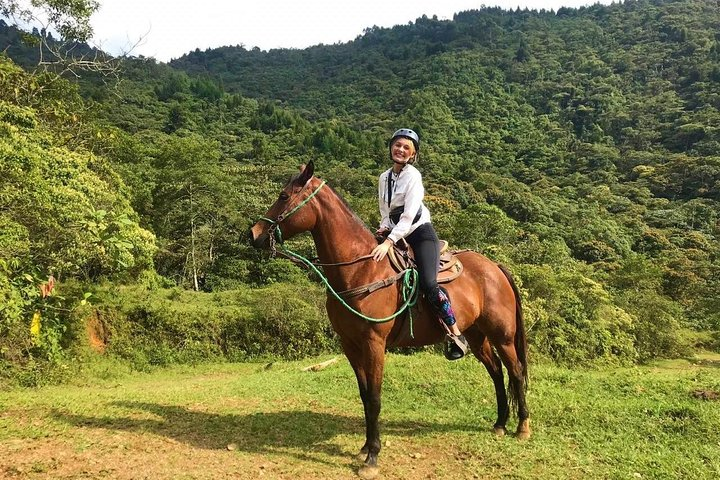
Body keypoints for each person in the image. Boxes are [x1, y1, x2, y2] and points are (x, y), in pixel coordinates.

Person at [370, 128, 469, 360]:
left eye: (407, 148)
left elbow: (409, 215)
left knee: (428, 283)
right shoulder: (384, 178)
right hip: (395, 232)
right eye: (398, 145)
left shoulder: (413, 176)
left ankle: (456, 335)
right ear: (391, 147)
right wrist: (384, 229)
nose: (401, 150)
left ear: (413, 155)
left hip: (419, 233)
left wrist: (390, 241)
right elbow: (385, 210)